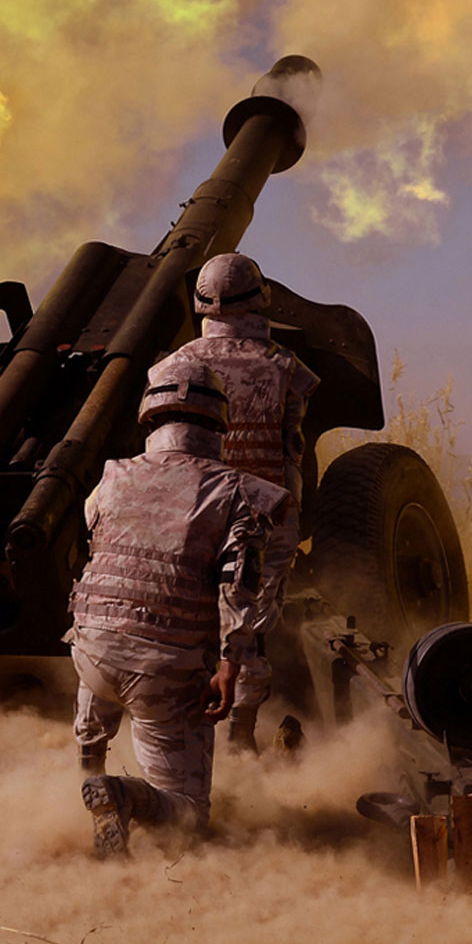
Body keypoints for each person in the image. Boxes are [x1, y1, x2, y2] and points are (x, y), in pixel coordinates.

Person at [69, 358, 289, 858]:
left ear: (151, 418)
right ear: (218, 424)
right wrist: (232, 663)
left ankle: (87, 775)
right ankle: (123, 795)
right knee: (189, 814)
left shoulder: (111, 479)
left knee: (102, 656)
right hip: (164, 667)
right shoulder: (237, 491)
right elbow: (240, 584)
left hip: (93, 654)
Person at [171, 251, 319, 753]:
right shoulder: (283, 368)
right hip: (264, 516)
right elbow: (292, 449)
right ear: (260, 298)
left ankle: (184, 738)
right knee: (248, 630)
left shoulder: (174, 366)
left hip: (193, 514)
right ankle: (238, 738)